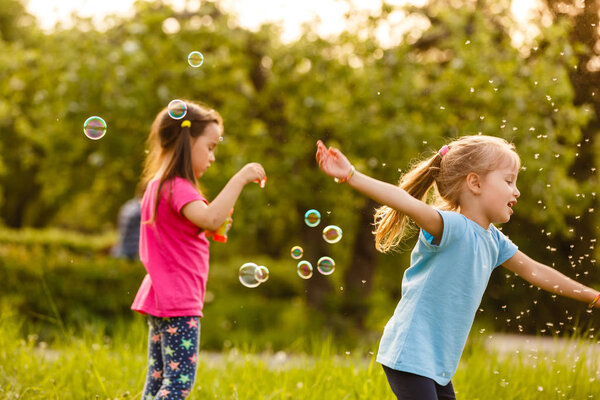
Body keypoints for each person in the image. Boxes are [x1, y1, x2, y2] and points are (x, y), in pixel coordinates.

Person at [315, 135, 600, 400]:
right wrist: (351, 175)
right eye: (509, 181)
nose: (517, 191)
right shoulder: (451, 226)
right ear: (475, 183)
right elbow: (405, 201)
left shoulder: (494, 241)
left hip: (438, 364)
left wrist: (593, 295)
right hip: (412, 353)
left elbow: (536, 271)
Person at [131, 100, 266, 399]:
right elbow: (211, 217)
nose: (213, 157)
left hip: (161, 296)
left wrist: (210, 226)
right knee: (177, 385)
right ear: (186, 141)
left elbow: (193, 227)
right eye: (210, 146)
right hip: (179, 301)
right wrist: (241, 178)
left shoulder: (158, 185)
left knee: (157, 383)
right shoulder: (178, 186)